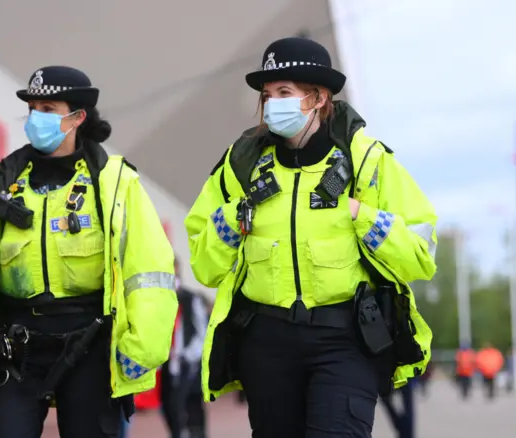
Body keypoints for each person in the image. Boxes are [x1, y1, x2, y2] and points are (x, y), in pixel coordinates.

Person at [185, 37, 437, 437]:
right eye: (267, 95)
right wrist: (234, 219)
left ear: (318, 97)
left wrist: (362, 215)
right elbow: (205, 265)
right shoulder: (241, 165)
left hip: (345, 339)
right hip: (266, 342)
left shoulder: (367, 160)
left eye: (284, 93)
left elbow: (420, 255)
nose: (271, 105)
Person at [0, 66, 178, 438]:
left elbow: (148, 272)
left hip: (90, 345)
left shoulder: (114, 184)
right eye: (32, 109)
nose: (36, 118)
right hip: (18, 347)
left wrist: (143, 347)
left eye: (48, 108)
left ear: (77, 117)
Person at [160, 258, 208, 438]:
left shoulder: (190, 298)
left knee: (192, 407)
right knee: (170, 406)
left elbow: (201, 331)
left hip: (189, 363)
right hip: (168, 363)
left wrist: (190, 355)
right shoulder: (160, 300)